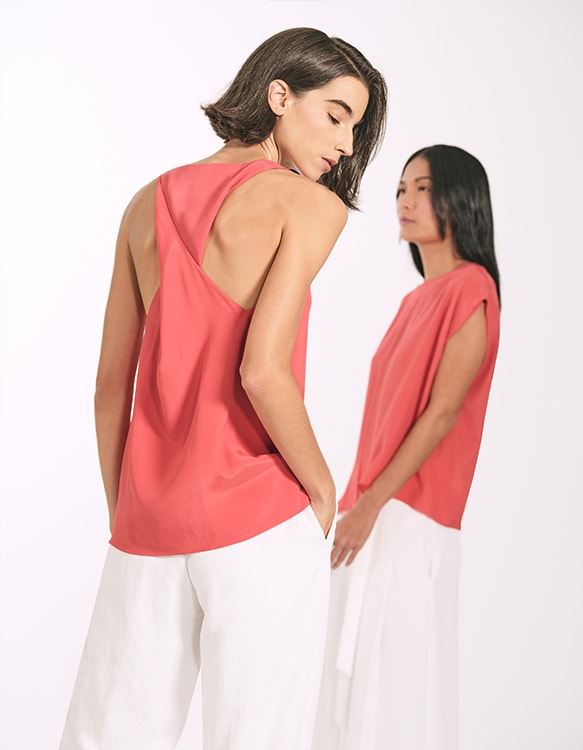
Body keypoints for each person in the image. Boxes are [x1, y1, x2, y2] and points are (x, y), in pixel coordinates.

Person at [59, 27, 387, 750]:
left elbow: (110, 387)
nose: (345, 144)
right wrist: (323, 488)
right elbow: (261, 371)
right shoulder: (309, 206)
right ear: (280, 95)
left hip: (149, 523)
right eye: (336, 115)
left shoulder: (145, 204)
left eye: (355, 128)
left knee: (108, 736)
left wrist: (128, 510)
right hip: (258, 518)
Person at [312, 145, 501, 750]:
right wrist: (360, 503)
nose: (405, 200)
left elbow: (442, 413)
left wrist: (369, 505)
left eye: (422, 188)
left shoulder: (472, 288)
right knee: (350, 678)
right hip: (371, 509)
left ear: (460, 199)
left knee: (398, 681)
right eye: (400, 189)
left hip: (412, 514)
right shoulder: (416, 299)